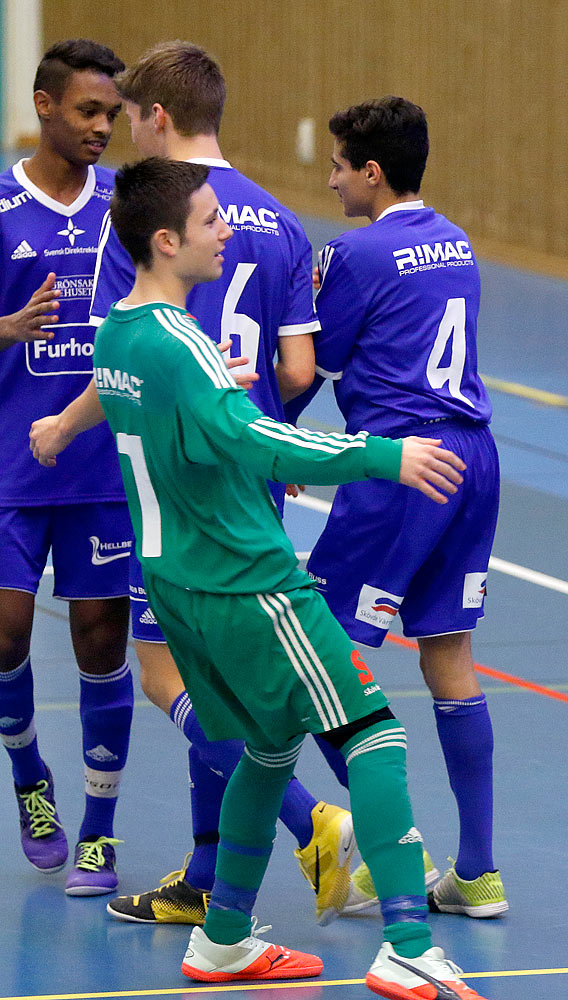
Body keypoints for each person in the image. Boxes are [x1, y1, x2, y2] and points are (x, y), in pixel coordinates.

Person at [90, 154, 488, 1000]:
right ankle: (409, 944)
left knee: (269, 750)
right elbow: (256, 442)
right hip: (249, 582)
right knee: (373, 736)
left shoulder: (120, 334)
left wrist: (214, 392)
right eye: (207, 221)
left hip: (178, 588)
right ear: (166, 242)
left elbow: (185, 420)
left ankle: (224, 938)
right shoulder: (177, 342)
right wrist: (387, 453)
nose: (224, 228)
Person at [29, 40, 360, 923]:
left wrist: (62, 426)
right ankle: (209, 874)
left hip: (171, 487)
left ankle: (310, 820)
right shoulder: (284, 223)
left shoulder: (140, 219)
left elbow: (123, 349)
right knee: (234, 673)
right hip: (252, 476)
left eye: (131, 115)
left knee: (169, 674)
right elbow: (298, 369)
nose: (124, 131)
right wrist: (259, 434)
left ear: (158, 118)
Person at [288, 95, 507, 919]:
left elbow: (311, 363)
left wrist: (284, 443)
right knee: (448, 657)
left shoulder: (357, 252)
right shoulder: (455, 240)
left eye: (340, 166)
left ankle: (392, 849)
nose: (332, 179)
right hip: (474, 461)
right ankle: (478, 871)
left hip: (400, 467)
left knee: (312, 657)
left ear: (371, 172)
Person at [0, 38, 133, 896]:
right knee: (6, 634)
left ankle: (99, 827)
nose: (101, 128)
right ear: (45, 105)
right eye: (88, 111)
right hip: (12, 468)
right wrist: (7, 331)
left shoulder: (126, 204)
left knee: (100, 645)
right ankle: (29, 780)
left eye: (113, 115)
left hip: (102, 469)